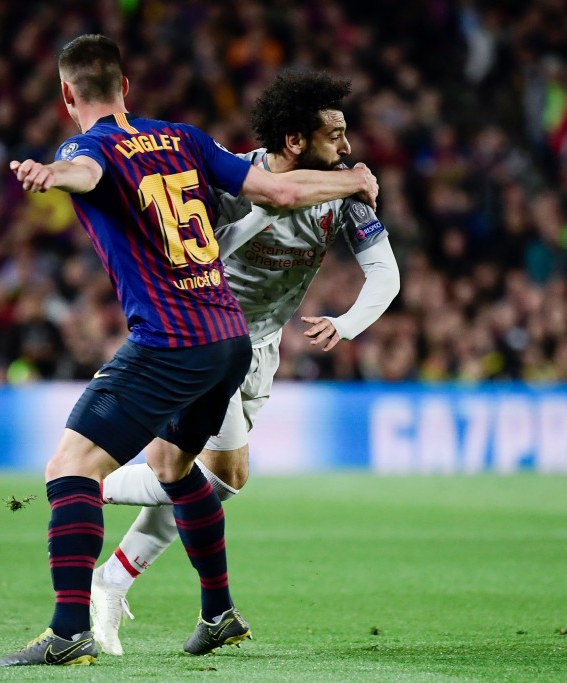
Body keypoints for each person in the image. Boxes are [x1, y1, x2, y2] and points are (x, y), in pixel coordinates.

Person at [0, 35, 378, 667]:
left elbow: (85, 173)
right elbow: (276, 191)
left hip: (170, 342)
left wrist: (52, 173)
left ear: (67, 95)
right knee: (174, 469)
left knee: (69, 469)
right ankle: (218, 614)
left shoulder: (87, 147)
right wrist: (349, 182)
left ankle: (66, 632)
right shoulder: (183, 137)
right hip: (228, 336)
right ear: (126, 87)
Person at [87, 70, 400, 656]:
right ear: (294, 141)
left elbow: (386, 274)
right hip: (205, 333)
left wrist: (346, 323)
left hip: (261, 345)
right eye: (334, 135)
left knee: (214, 479)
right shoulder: (230, 174)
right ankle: (87, 487)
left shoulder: (343, 199)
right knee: (202, 473)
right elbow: (196, 236)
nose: (349, 148)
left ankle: (111, 570)